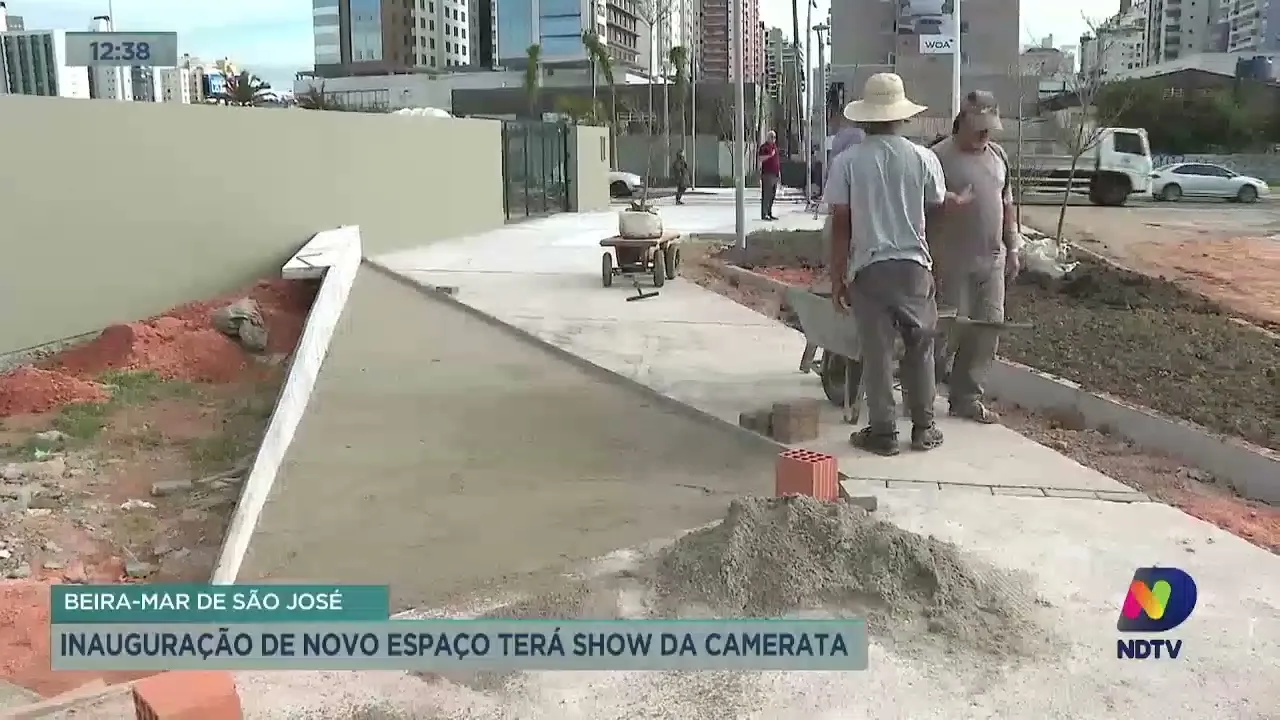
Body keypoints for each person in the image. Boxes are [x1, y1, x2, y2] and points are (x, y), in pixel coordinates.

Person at [823, 72, 972, 456]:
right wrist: (930, 263)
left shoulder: (847, 162)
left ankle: (884, 433)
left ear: (866, 118)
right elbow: (936, 209)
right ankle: (924, 428)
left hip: (869, 269)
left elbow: (842, 224)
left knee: (877, 353)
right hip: (913, 267)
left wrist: (837, 277)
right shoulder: (923, 159)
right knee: (920, 348)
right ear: (901, 115)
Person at [928, 90, 1020, 424]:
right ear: (961, 121)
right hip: (949, 261)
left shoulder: (998, 156)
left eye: (990, 126)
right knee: (945, 332)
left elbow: (1007, 203)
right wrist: (945, 202)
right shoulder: (937, 157)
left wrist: (1013, 246)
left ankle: (967, 397)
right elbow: (917, 204)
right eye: (979, 126)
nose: (985, 133)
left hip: (992, 260)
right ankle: (921, 393)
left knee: (987, 329)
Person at [758, 130, 781, 220]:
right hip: (767, 174)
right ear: (768, 137)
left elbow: (777, 161)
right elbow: (760, 158)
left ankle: (769, 212)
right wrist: (770, 155)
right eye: (771, 137)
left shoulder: (775, 147)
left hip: (775, 174)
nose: (773, 139)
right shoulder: (764, 147)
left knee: (772, 195)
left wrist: (779, 173)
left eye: (774, 137)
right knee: (766, 195)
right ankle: (764, 214)